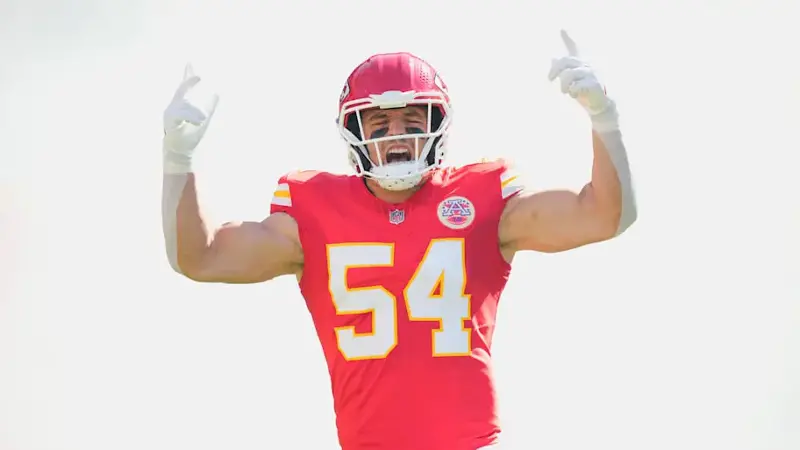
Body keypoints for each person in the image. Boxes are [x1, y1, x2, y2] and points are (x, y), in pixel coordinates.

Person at [160, 30, 636, 450]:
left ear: (437, 126)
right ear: (353, 132)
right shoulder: (312, 210)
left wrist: (604, 119)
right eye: (380, 124)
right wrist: (178, 160)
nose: (398, 136)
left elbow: (603, 216)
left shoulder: (482, 196)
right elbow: (201, 257)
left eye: (412, 121)